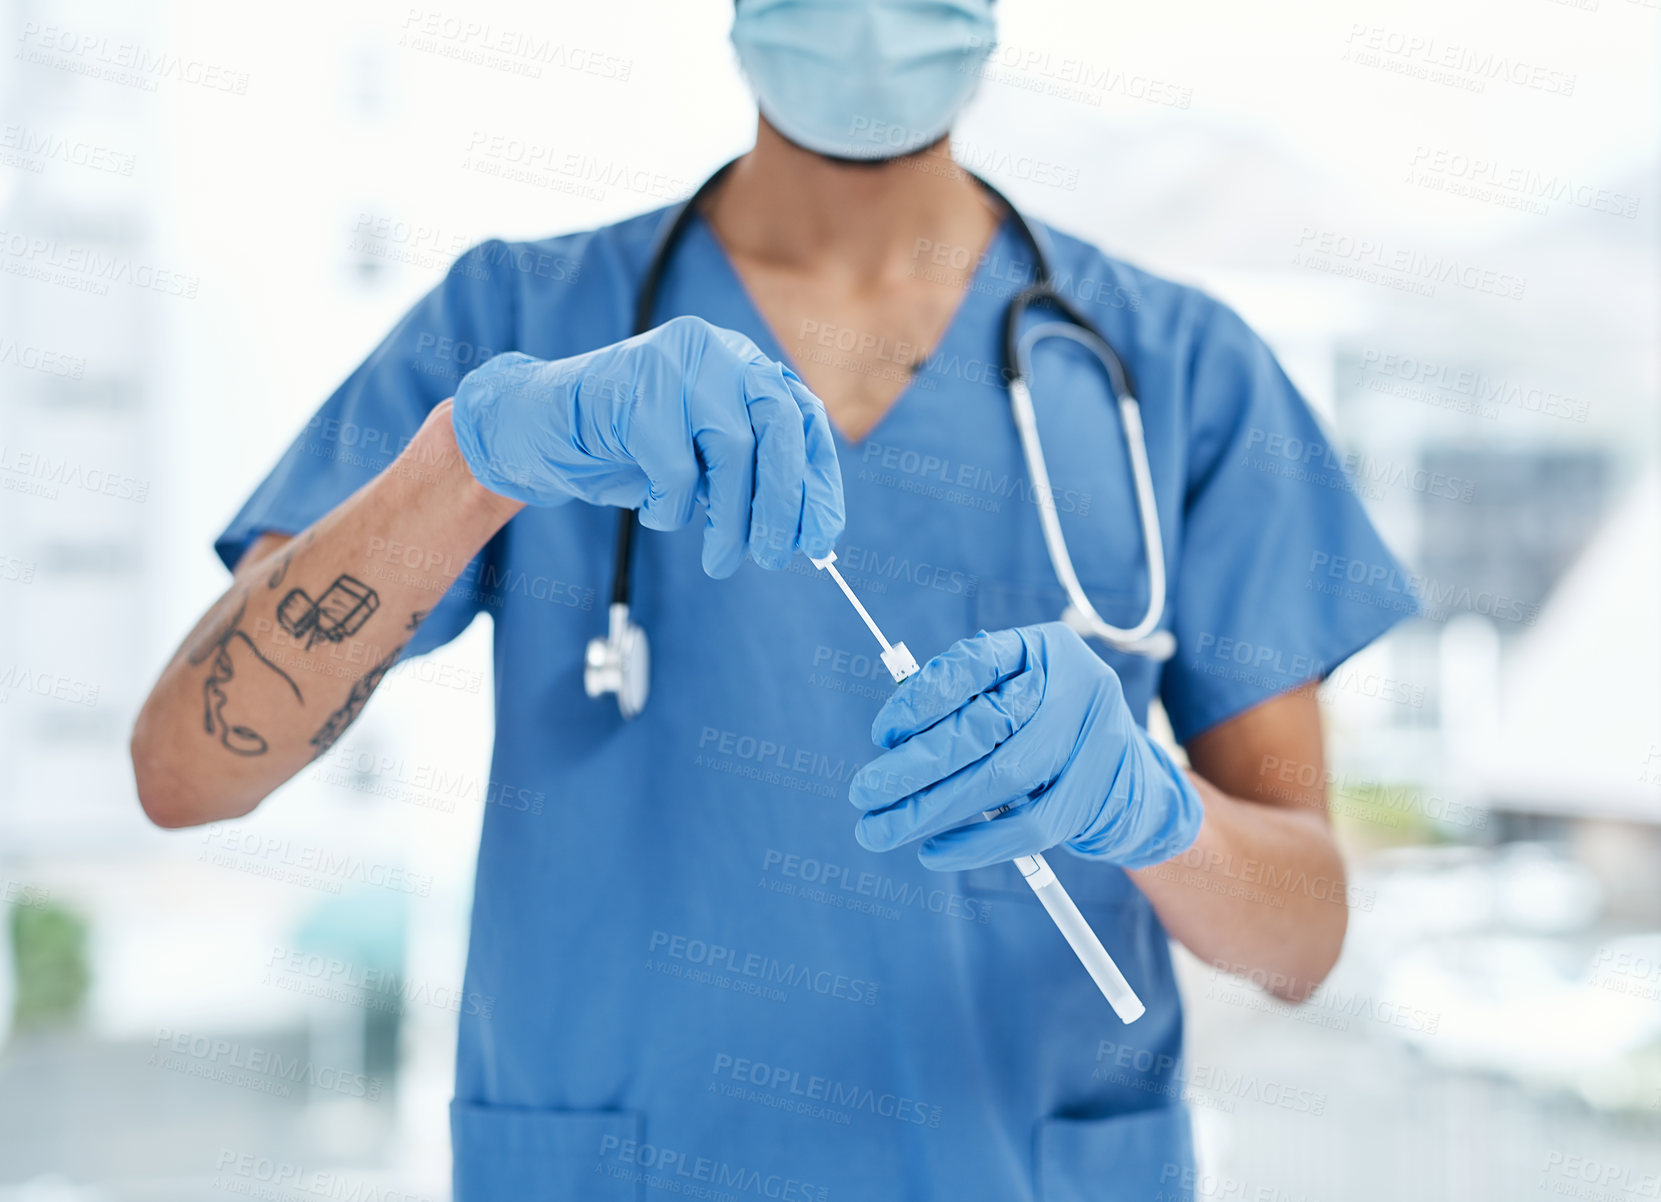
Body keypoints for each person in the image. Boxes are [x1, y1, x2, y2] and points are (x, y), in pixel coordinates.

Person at [131, 1, 1413, 1197]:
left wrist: (1154, 807)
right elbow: (187, 771)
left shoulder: (1178, 370)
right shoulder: (523, 322)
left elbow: (1298, 943)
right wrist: (473, 456)